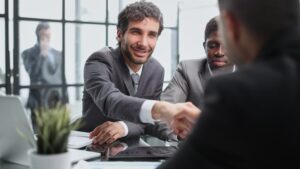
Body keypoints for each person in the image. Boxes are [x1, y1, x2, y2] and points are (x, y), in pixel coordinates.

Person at [154, 0, 300, 168]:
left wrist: (208, 127)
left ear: (230, 25)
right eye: (213, 45)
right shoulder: (189, 69)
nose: (220, 52)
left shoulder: (237, 90)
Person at [82, 1, 175, 145]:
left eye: (152, 35)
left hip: (132, 148)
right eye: (136, 32)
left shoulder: (157, 70)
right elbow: (111, 101)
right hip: (91, 147)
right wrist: (160, 108)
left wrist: (123, 127)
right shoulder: (99, 61)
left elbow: (147, 120)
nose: (143, 43)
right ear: (119, 34)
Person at [161, 16, 236, 110]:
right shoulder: (187, 70)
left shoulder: (251, 75)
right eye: (212, 46)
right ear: (205, 46)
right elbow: (166, 110)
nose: (219, 52)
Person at [22, 22, 68, 124]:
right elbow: (33, 74)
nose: (47, 38)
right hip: (39, 103)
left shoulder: (58, 54)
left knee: (57, 135)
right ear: (37, 35)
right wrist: (42, 55)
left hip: (57, 102)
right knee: (39, 135)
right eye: (44, 35)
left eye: (48, 35)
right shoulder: (27, 53)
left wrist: (66, 101)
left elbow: (62, 78)